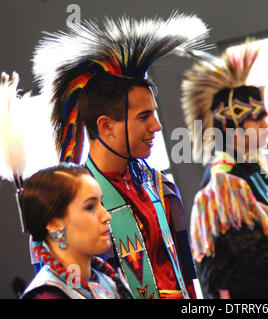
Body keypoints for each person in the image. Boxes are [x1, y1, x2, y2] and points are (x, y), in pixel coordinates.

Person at [31, 14, 209, 299]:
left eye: (154, 113)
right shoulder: (73, 208)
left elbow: (187, 278)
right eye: (144, 116)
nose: (157, 125)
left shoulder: (161, 188)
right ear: (105, 126)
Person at [0, 72, 131, 299]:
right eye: (90, 207)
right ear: (53, 222)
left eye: (101, 203)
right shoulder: (48, 296)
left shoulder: (107, 279)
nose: (106, 215)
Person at [180, 41, 268, 298]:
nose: (266, 121)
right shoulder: (225, 180)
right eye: (257, 115)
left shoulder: (255, 166)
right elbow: (253, 255)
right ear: (232, 125)